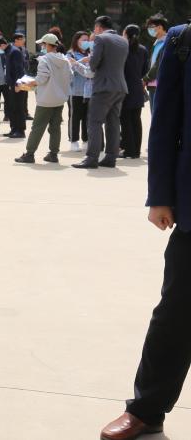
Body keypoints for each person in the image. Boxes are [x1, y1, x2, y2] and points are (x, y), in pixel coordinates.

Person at [100, 22, 191, 440]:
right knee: (176, 314)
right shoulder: (183, 41)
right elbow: (166, 120)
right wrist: (161, 195)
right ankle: (147, 410)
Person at [74, 16, 129, 169]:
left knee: (94, 121)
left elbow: (93, 64)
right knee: (113, 123)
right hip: (120, 86)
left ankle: (91, 158)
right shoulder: (123, 40)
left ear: (98, 27)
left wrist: (90, 58)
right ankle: (111, 157)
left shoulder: (100, 39)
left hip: (104, 86)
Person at [14, 33, 71, 164]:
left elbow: (41, 79)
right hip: (59, 98)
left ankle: (29, 154)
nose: (42, 47)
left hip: (46, 99)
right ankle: (53, 154)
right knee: (55, 127)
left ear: (46, 45)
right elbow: (70, 77)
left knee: (38, 127)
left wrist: (23, 84)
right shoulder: (65, 59)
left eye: (42, 44)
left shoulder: (44, 60)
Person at [120, 24, 150, 159]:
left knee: (125, 120)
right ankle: (136, 151)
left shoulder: (123, 48)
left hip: (124, 87)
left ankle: (129, 150)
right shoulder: (143, 49)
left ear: (126, 34)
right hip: (138, 87)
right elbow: (145, 69)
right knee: (136, 120)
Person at [66, 31, 94, 151]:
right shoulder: (71, 54)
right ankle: (74, 141)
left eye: (87, 40)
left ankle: (86, 140)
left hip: (89, 92)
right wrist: (82, 63)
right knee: (75, 116)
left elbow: (91, 72)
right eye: (83, 40)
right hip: (75, 91)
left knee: (87, 117)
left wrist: (79, 64)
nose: (86, 42)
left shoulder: (91, 54)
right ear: (76, 40)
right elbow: (70, 69)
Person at [4, 33, 28, 138]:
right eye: (22, 39)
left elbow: (20, 70)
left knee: (19, 107)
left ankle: (20, 131)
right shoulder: (12, 50)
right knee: (13, 107)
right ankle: (14, 129)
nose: (24, 41)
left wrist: (19, 84)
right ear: (16, 40)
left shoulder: (16, 51)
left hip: (18, 84)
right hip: (13, 84)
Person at [144, 14, 169, 112]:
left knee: (159, 115)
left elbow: (158, 64)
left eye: (152, 27)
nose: (150, 30)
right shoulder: (157, 42)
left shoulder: (167, 43)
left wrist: (145, 78)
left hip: (161, 85)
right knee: (154, 114)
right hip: (152, 85)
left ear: (160, 27)